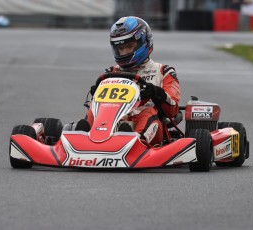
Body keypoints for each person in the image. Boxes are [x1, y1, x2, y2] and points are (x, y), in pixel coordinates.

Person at [76, 16, 180, 146]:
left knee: (148, 113)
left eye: (129, 46)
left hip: (150, 126)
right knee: (93, 109)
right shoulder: (111, 73)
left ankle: (135, 141)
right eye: (121, 48)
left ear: (144, 42)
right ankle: (81, 139)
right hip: (112, 122)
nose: (124, 52)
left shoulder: (163, 71)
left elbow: (173, 110)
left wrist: (157, 93)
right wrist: (97, 95)